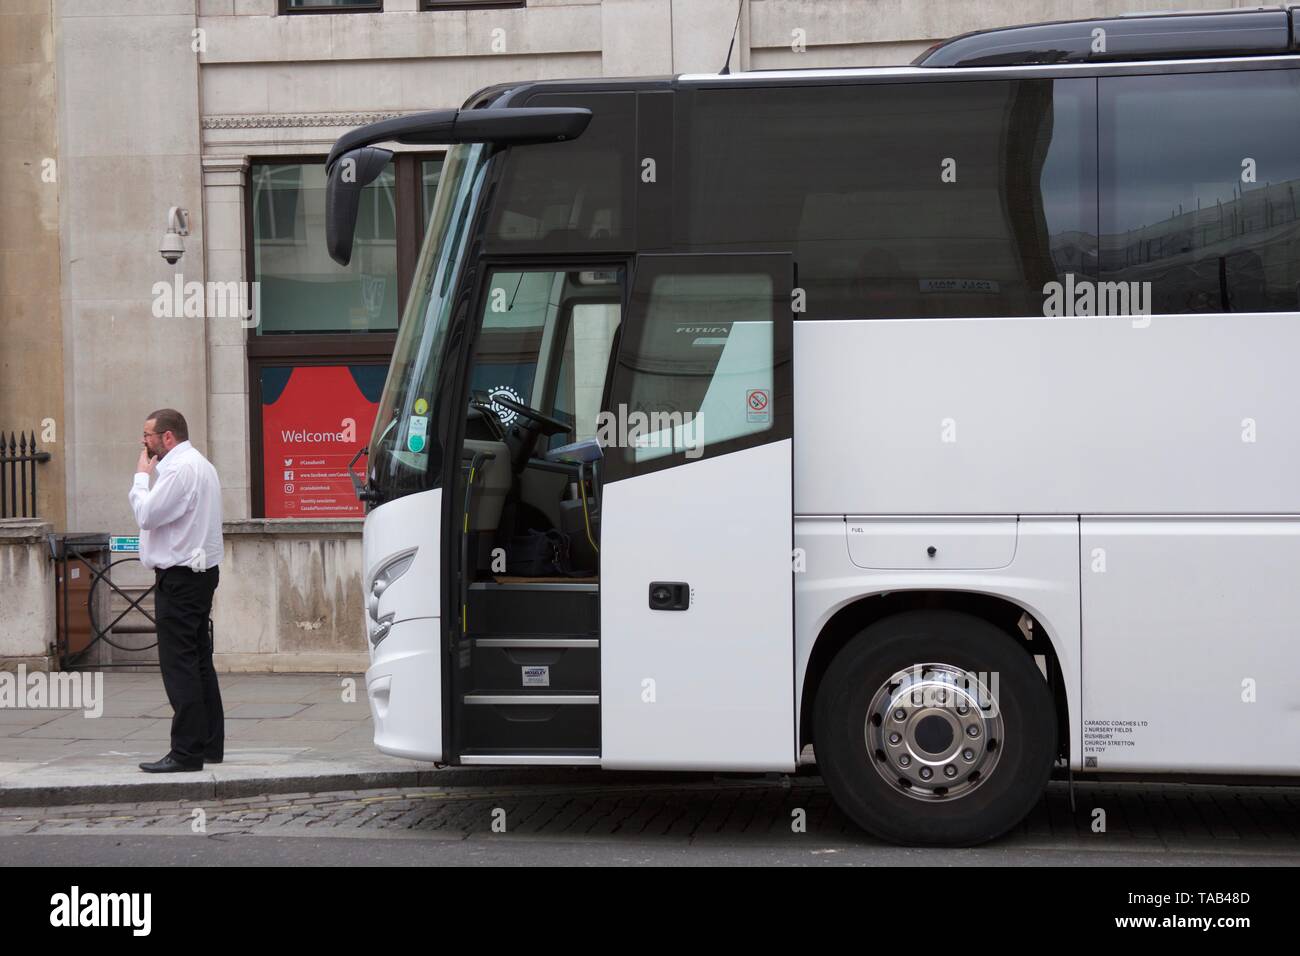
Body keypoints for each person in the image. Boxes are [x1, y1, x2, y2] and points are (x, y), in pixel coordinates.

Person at [127, 408, 225, 773]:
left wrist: (141, 478)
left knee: (179, 664)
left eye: (148, 435)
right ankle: (209, 744)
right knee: (199, 661)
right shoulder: (202, 465)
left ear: (168, 437)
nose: (144, 442)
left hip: (181, 578)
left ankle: (186, 752)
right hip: (201, 573)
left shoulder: (178, 469)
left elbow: (147, 515)